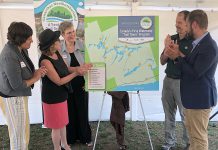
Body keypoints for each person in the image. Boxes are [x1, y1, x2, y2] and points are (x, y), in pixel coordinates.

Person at [165, 9, 218, 150]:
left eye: (187, 25)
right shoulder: (199, 43)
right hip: (193, 99)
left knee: (199, 139)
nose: (185, 28)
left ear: (194, 25)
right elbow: (190, 63)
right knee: (194, 137)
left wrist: (177, 56)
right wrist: (176, 53)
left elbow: (196, 72)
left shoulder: (209, 46)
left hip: (200, 100)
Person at [38, 29, 90, 150]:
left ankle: (65, 145)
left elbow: (67, 68)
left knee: (63, 123)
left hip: (62, 95)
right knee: (56, 126)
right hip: (52, 98)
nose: (59, 41)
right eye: (57, 40)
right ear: (52, 44)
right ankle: (57, 147)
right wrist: (77, 73)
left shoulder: (57, 53)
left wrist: (80, 68)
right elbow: (59, 81)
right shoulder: (45, 61)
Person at [0, 22, 47, 150]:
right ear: (20, 39)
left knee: (22, 132)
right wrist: (36, 77)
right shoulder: (9, 54)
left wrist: (36, 72)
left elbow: (23, 71)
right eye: (29, 37)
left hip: (18, 97)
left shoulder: (19, 49)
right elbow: (17, 85)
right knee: (18, 135)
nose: (32, 40)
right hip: (13, 98)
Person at [160, 10, 191, 150]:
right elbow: (162, 61)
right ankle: (169, 142)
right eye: (176, 22)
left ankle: (189, 144)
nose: (176, 25)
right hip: (168, 81)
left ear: (187, 24)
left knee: (186, 116)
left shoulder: (192, 42)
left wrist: (177, 54)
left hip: (183, 83)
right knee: (168, 114)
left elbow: (191, 65)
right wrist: (167, 49)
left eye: (180, 22)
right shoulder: (171, 38)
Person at [58, 21, 92, 146]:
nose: (72, 35)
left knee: (82, 110)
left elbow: (90, 62)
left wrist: (85, 68)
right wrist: (78, 69)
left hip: (82, 83)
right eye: (68, 33)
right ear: (62, 34)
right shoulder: (59, 49)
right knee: (69, 111)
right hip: (67, 84)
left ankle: (85, 138)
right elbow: (62, 68)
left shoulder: (83, 45)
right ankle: (70, 138)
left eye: (73, 31)